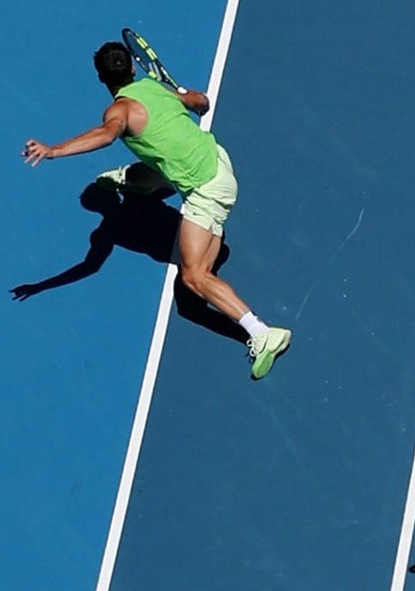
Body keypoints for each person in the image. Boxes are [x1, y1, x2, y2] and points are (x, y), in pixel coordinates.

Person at [21, 40, 288, 377]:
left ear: (101, 78)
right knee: (160, 163)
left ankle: (262, 333)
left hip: (206, 190)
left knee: (193, 277)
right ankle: (129, 180)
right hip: (218, 162)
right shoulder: (153, 87)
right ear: (133, 67)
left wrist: (54, 150)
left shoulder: (118, 112)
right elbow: (201, 103)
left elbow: (106, 135)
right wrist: (188, 97)